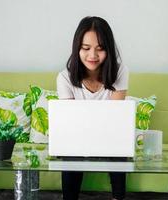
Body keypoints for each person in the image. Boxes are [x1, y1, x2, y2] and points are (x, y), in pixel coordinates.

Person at [56, 16, 129, 200]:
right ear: (77, 48)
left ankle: (118, 197)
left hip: (111, 137)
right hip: (76, 138)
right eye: (86, 48)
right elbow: (69, 123)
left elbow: (116, 118)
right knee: (70, 153)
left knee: (119, 150)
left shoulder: (120, 72)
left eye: (100, 49)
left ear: (108, 50)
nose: (93, 56)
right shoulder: (64, 78)